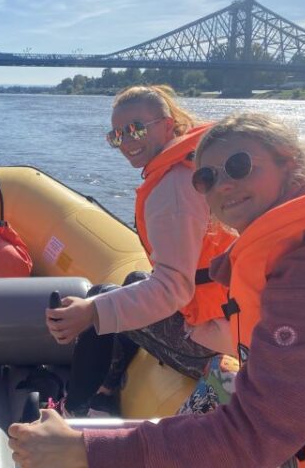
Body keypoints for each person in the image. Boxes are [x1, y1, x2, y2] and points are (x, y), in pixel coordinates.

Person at [9, 112, 305, 467]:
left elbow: (257, 435)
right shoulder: (296, 248)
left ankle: (83, 408)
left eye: (239, 166)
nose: (222, 184)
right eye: (206, 177)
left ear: (288, 163)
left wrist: (85, 450)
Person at [45, 85, 235, 417]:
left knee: (101, 296)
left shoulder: (174, 189)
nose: (126, 142)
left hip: (216, 343)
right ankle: (105, 391)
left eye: (134, 129)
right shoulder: (192, 167)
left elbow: (172, 288)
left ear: (167, 123)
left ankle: (74, 411)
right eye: (116, 135)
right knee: (135, 278)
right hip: (231, 317)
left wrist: (91, 311)